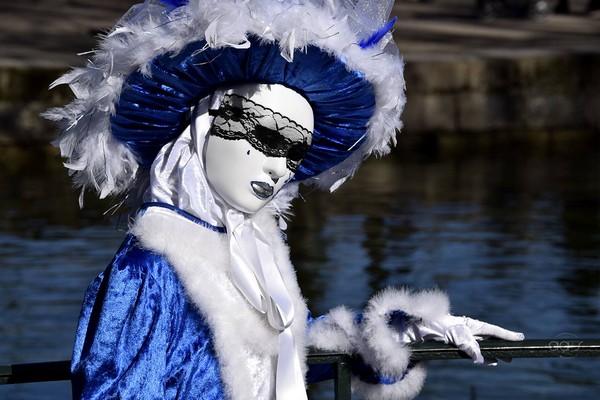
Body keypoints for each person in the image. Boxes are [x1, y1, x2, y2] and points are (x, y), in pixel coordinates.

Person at [45, 1, 524, 399]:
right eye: (268, 138)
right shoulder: (149, 270)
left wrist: (410, 332)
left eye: (294, 154)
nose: (279, 168)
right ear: (204, 128)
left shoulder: (253, 255)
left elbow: (289, 356)